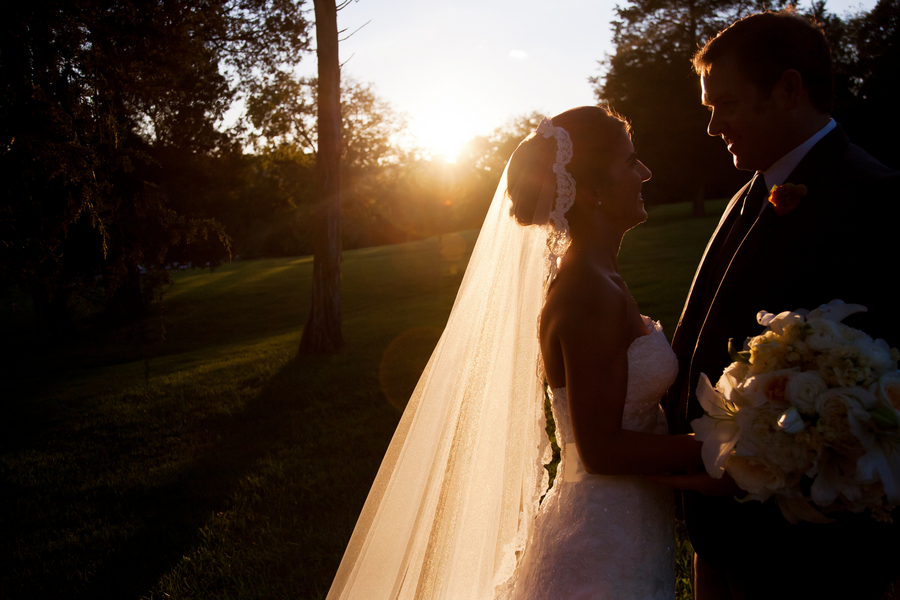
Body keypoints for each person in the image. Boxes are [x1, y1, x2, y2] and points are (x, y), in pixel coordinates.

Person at [326, 106, 703, 600]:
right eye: (630, 162)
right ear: (590, 191)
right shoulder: (588, 291)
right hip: (601, 549)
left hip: (627, 526)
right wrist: (731, 449)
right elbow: (602, 450)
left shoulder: (599, 278)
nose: (645, 173)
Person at [665, 9, 900, 600]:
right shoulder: (749, 191)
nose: (714, 126)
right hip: (725, 530)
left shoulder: (874, 198)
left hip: (805, 553)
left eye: (725, 104)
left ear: (790, 88)